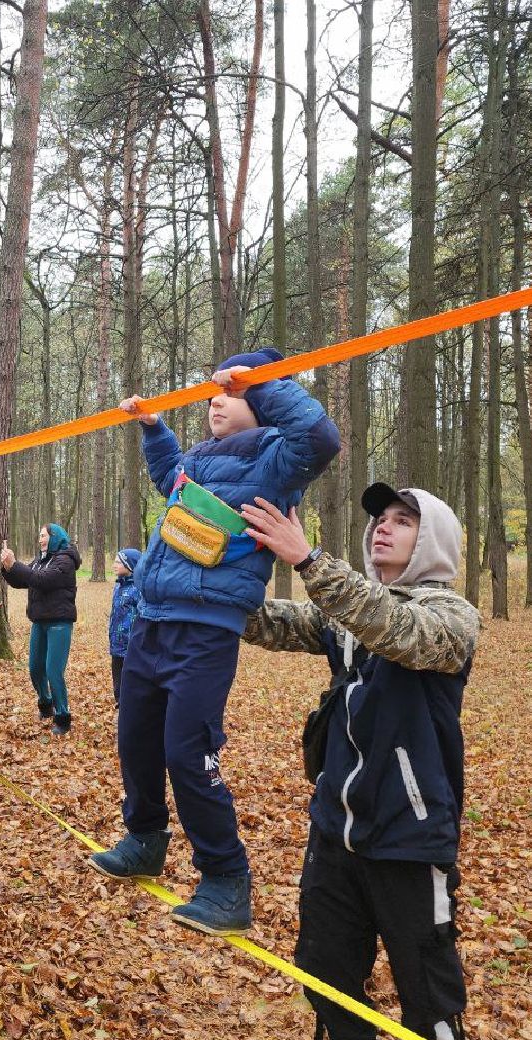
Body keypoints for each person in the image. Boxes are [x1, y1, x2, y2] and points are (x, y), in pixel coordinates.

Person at [90, 347, 340, 935]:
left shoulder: (279, 460)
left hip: (206, 630)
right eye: (211, 394)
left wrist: (262, 384)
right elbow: (167, 479)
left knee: (187, 751)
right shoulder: (199, 460)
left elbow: (322, 437)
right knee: (136, 737)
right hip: (152, 617)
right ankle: (145, 838)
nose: (214, 402)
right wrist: (154, 429)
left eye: (227, 393)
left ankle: (226, 878)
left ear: (258, 399)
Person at [239, 483, 480, 1040]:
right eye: (380, 518)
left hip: (409, 837)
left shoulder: (450, 616)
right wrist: (196, 577)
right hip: (334, 835)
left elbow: (395, 630)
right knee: (324, 972)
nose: (384, 527)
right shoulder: (345, 615)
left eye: (403, 521)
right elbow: (265, 621)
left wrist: (309, 561)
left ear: (434, 541)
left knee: (427, 994)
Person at [0, 523, 81, 735]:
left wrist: (16, 564)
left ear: (55, 537)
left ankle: (63, 716)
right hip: (39, 621)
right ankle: (45, 704)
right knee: (35, 668)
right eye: (39, 536)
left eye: (43, 536)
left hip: (59, 623)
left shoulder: (65, 560)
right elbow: (23, 580)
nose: (40, 540)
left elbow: (42, 580)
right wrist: (8, 569)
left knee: (53, 671)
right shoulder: (41, 560)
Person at [108, 547, 142, 704]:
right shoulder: (118, 587)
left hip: (132, 647)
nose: (114, 565)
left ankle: (129, 710)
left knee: (131, 683)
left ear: (129, 566)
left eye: (118, 562)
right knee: (118, 683)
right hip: (117, 645)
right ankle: (120, 706)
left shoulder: (138, 589)